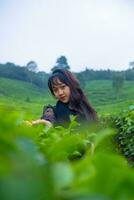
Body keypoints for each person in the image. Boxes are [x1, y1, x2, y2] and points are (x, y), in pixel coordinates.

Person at [27, 69, 97, 127]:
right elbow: (49, 117)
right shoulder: (53, 110)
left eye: (63, 87)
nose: (60, 93)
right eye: (55, 90)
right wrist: (46, 122)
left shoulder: (86, 108)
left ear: (71, 85)